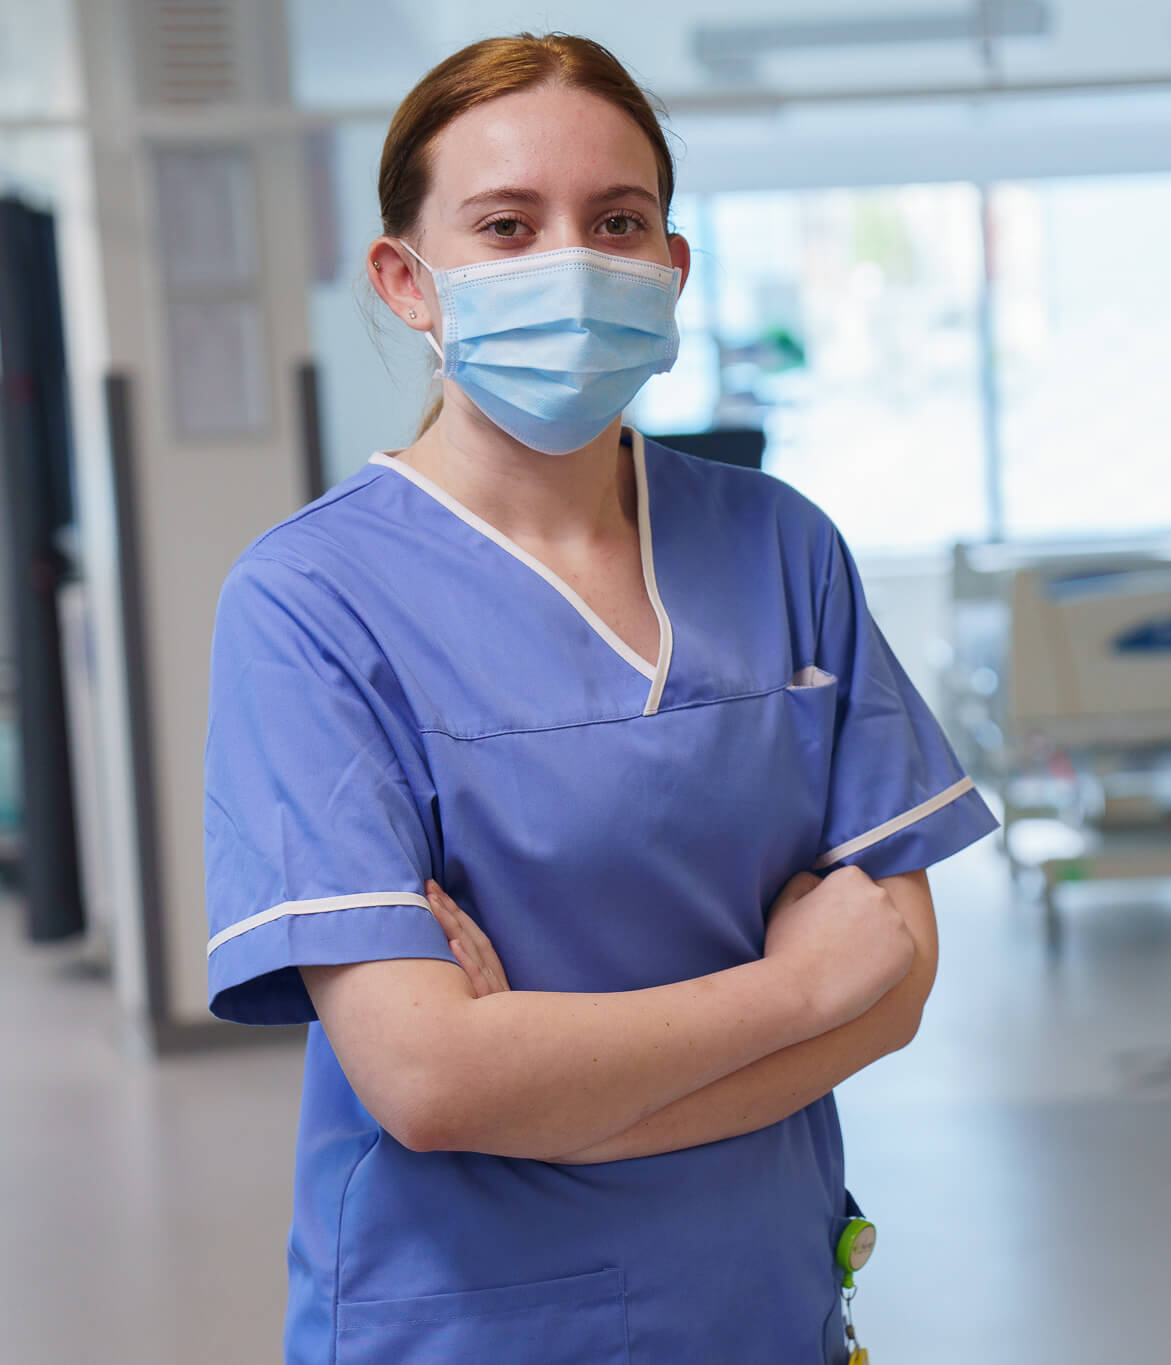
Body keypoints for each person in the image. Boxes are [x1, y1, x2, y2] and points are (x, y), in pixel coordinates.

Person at [202, 31, 999, 1365]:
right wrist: (798, 990)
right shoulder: (310, 600)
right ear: (408, 280)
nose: (569, 263)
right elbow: (427, 1080)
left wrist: (547, 1077)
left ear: (670, 265)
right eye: (505, 226)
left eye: (616, 220)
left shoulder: (779, 546)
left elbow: (900, 987)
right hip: (469, 1320)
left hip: (760, 1299)